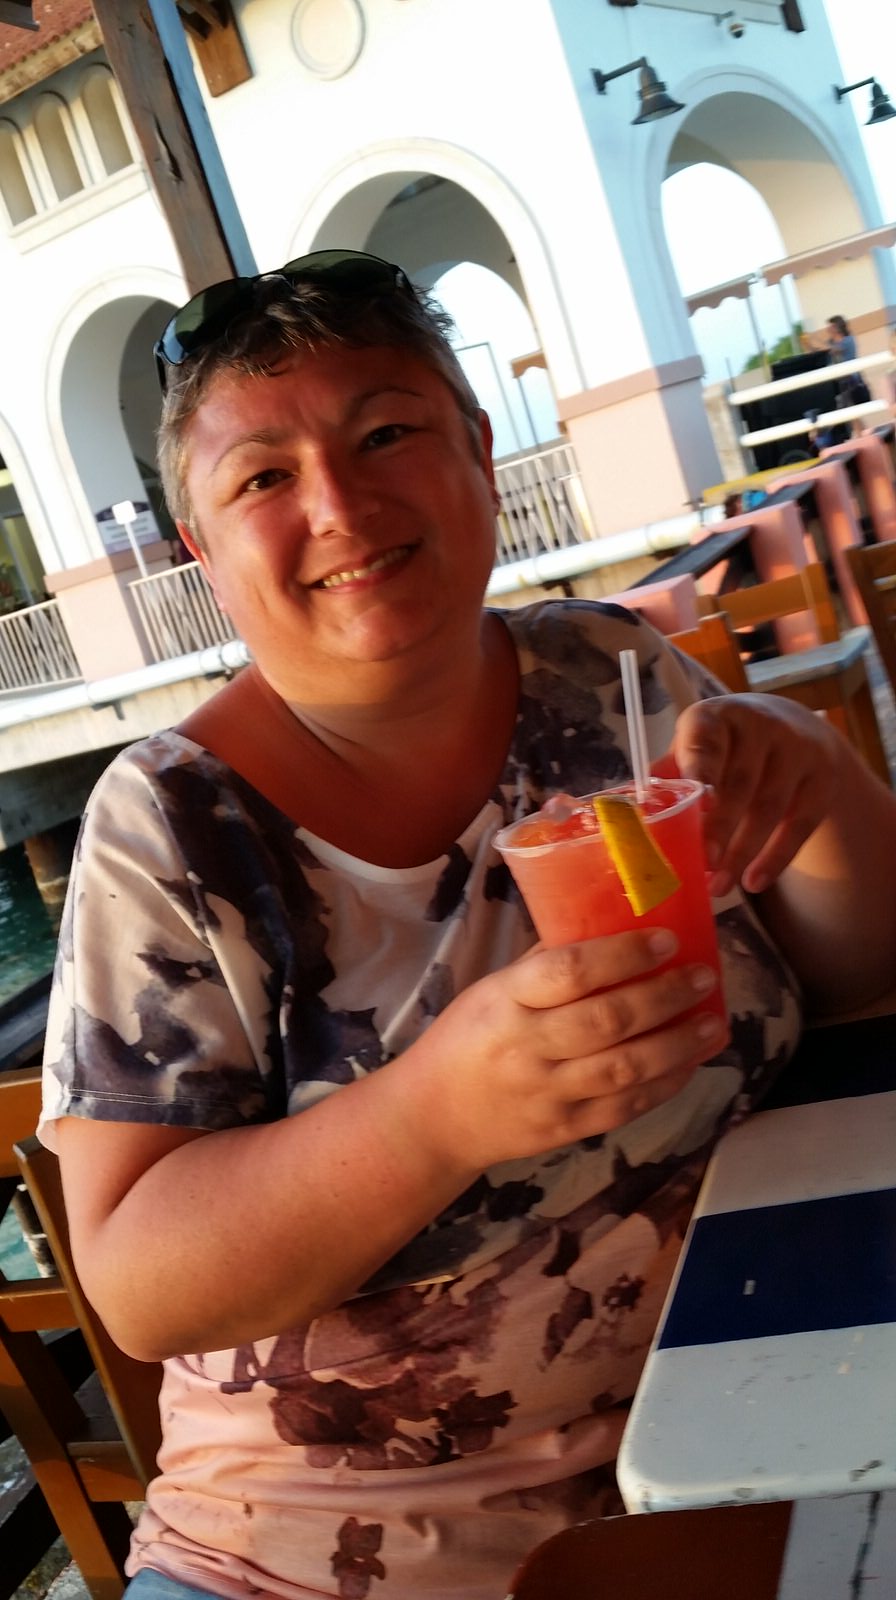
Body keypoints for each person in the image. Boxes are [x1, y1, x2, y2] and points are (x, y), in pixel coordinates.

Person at [40, 250, 896, 1600]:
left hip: (753, 1420)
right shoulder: (174, 826)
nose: (339, 504)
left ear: (479, 454)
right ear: (203, 547)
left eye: (386, 433)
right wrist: (437, 1113)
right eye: (262, 477)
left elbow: (859, 981)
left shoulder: (609, 673)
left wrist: (818, 780)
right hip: (329, 1551)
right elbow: (142, 1289)